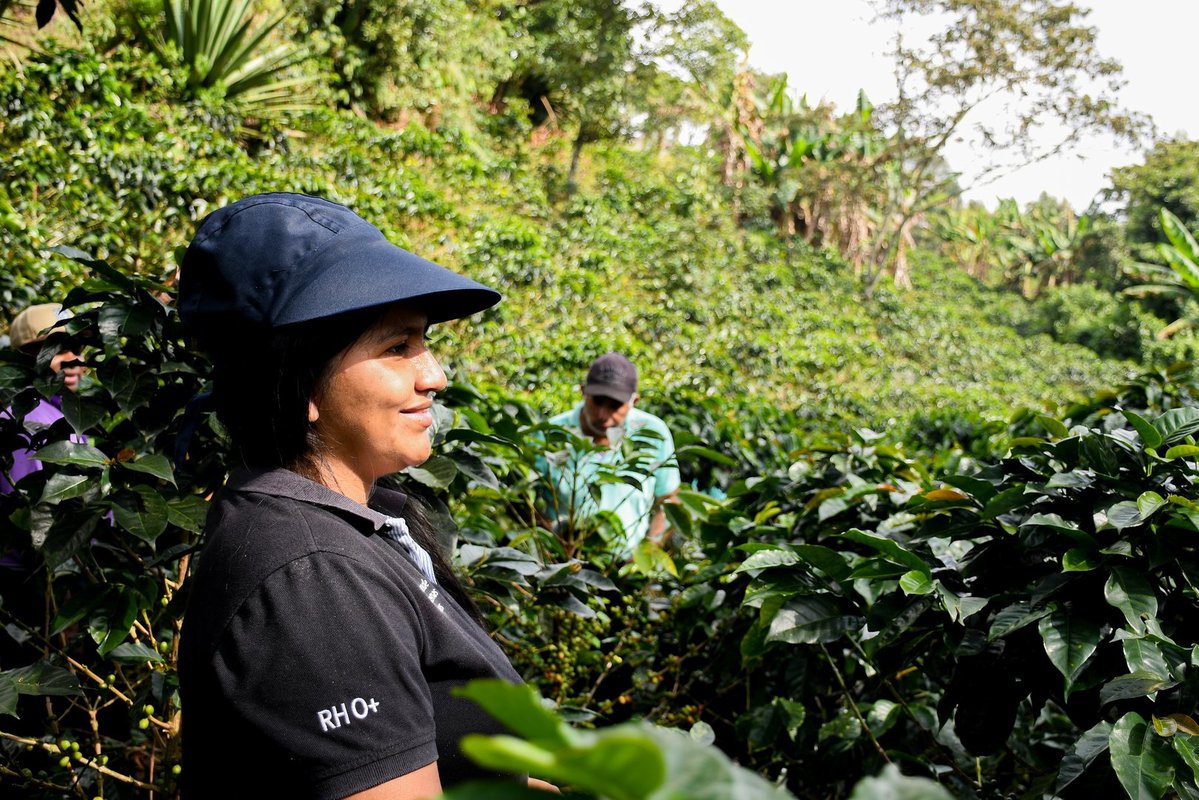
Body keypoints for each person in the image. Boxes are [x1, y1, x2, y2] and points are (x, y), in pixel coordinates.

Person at [175, 192, 557, 799]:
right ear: (298, 381)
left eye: (425, 342)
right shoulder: (313, 577)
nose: (433, 376)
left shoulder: (363, 520)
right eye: (396, 347)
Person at [537, 352, 680, 559]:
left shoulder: (653, 433)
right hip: (560, 561)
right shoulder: (552, 434)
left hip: (625, 567)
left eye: (615, 406)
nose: (604, 416)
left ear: (634, 401)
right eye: (597, 402)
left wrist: (647, 553)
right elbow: (531, 500)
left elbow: (667, 501)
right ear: (583, 392)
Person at [0, 302, 85, 493]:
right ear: (25, 357)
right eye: (57, 350)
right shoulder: (22, 419)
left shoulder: (69, 412)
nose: (73, 359)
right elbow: (25, 508)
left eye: (76, 348)